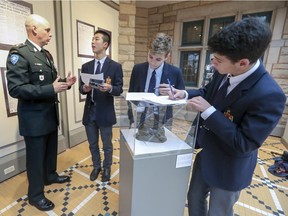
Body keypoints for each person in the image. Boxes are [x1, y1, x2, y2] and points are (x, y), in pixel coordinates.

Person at [171, 17, 286, 216]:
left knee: (219, 211)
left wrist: (209, 112)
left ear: (242, 63)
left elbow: (245, 142)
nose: (212, 63)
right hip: (206, 152)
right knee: (194, 200)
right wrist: (185, 94)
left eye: (218, 60)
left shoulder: (270, 95)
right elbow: (208, 91)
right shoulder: (224, 69)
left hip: (230, 166)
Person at [6, 14, 76, 211]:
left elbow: (48, 83)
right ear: (34, 30)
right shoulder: (20, 53)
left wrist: (65, 83)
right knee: (36, 158)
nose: (50, 34)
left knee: (50, 151)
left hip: (49, 114)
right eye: (48, 30)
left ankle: (50, 175)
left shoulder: (46, 55)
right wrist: (51, 89)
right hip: (34, 118)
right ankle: (35, 195)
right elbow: (16, 88)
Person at [79, 30, 123, 182]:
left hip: (105, 112)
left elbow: (119, 89)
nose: (92, 42)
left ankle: (107, 167)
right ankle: (96, 166)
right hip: (90, 110)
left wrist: (109, 88)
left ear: (105, 44)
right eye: (92, 39)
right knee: (92, 144)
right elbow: (81, 88)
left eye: (96, 39)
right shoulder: (86, 66)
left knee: (107, 144)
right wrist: (84, 89)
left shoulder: (115, 66)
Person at [127, 32, 185, 133]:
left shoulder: (175, 72)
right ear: (148, 52)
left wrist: (172, 94)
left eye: (158, 59)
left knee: (162, 147)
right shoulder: (137, 69)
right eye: (150, 57)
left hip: (163, 120)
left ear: (167, 56)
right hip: (140, 116)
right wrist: (131, 117)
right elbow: (131, 94)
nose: (153, 62)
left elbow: (182, 97)